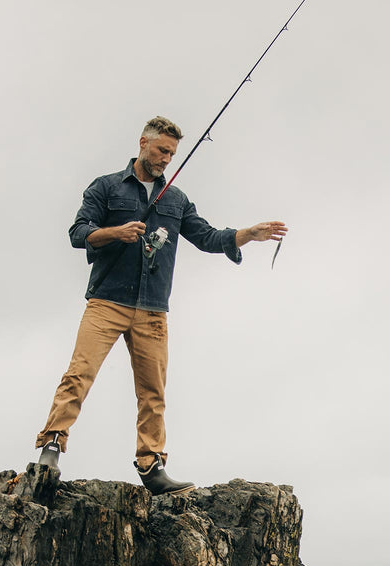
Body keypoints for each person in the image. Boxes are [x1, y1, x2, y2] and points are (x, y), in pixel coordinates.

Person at [35, 116, 287, 494]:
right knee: (79, 373)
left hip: (153, 309)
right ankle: (52, 445)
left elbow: (205, 236)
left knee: (153, 391)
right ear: (142, 143)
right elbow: (78, 232)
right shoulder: (106, 187)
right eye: (161, 150)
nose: (167, 158)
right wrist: (114, 233)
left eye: (172, 153)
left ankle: (151, 466)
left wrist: (246, 235)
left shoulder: (176, 199)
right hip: (106, 300)